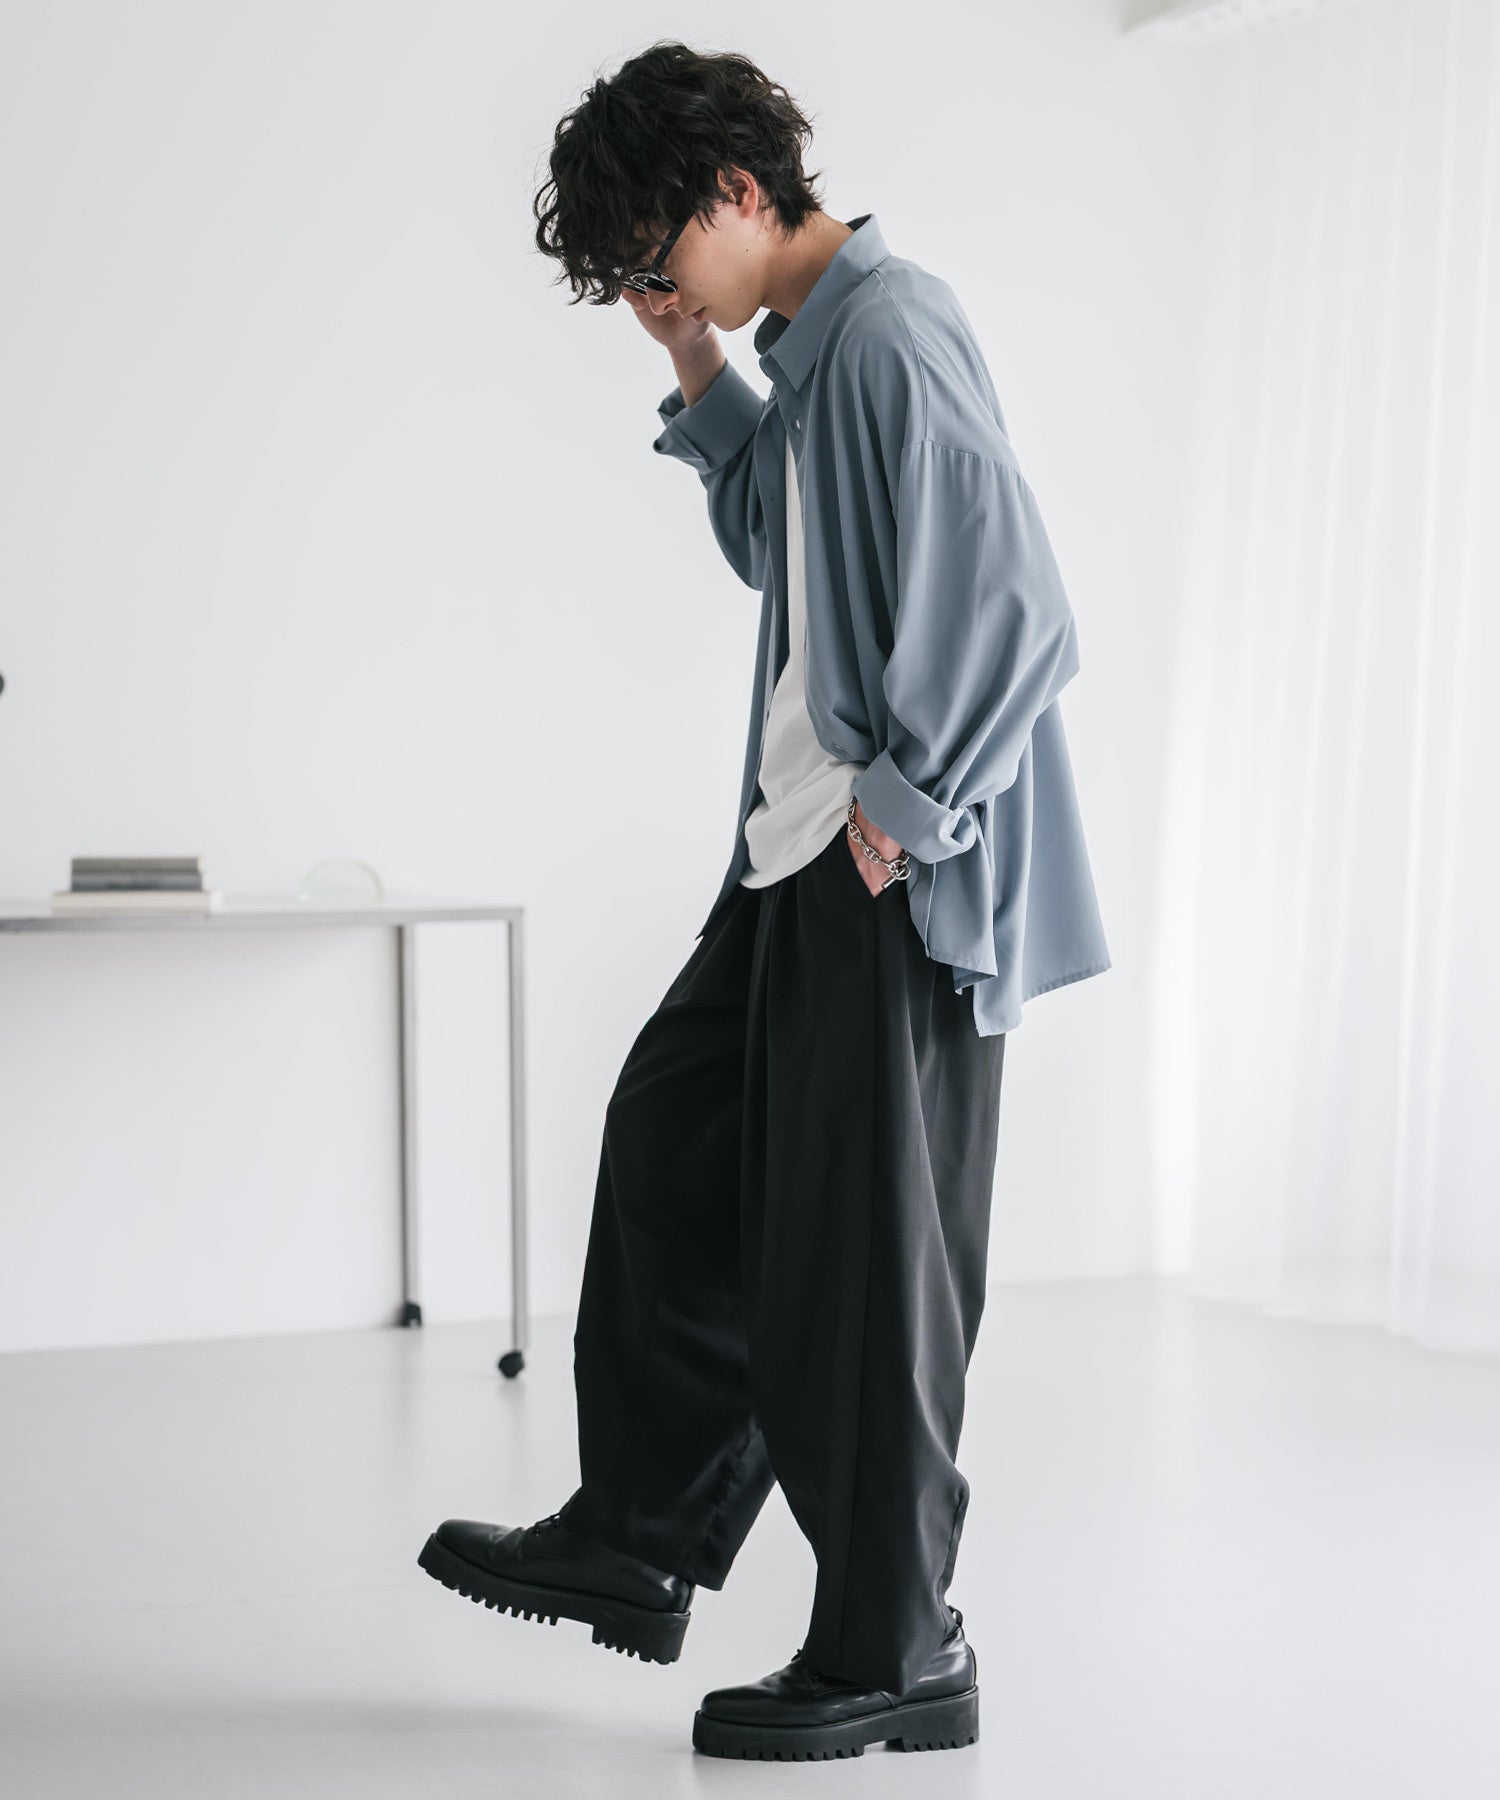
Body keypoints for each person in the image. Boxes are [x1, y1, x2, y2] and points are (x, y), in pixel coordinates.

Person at [418, 40, 1111, 1762]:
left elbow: (1021, 606)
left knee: (858, 1275)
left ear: (739, 189)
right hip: (791, 851)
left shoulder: (893, 330)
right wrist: (698, 363)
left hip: (883, 871)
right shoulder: (813, 349)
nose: (656, 285)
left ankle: (900, 1647)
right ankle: (641, 1530)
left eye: (660, 254)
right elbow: (784, 550)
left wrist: (910, 804)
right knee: (674, 1143)